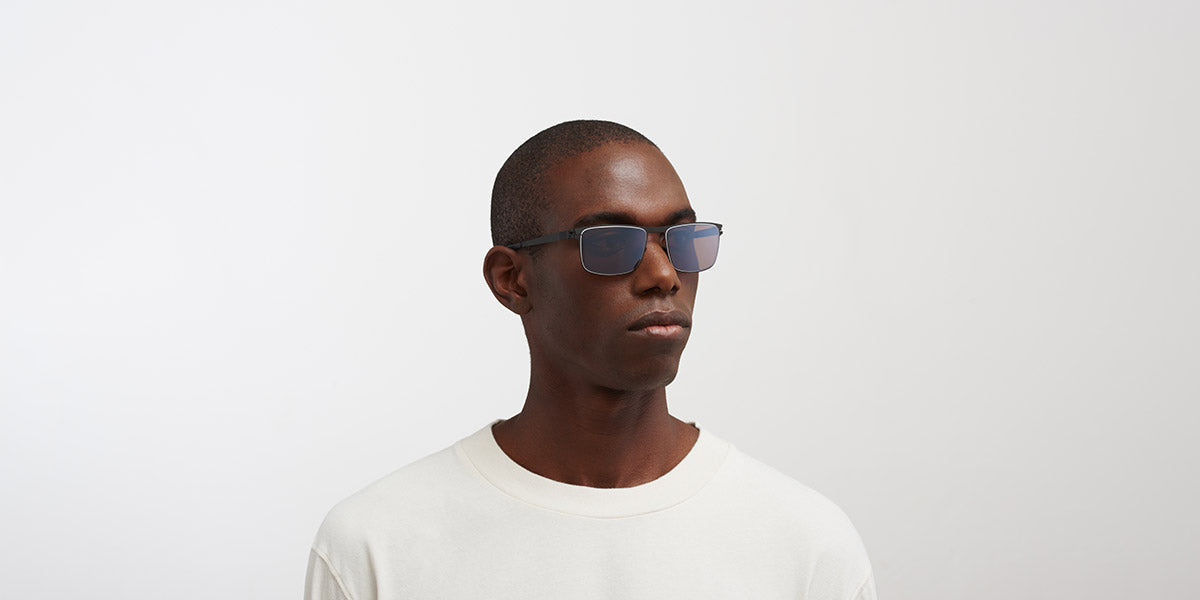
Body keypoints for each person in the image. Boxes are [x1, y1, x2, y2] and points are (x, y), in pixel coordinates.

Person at [304, 120, 876, 599]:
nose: (664, 275)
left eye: (684, 240)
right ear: (512, 280)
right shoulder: (377, 545)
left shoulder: (805, 545)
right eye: (610, 244)